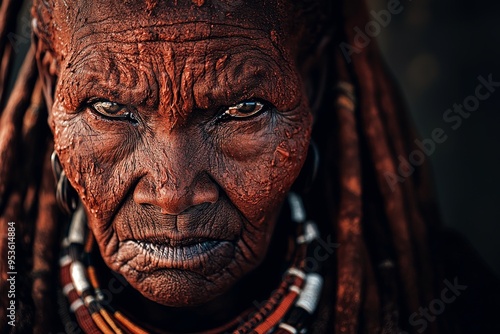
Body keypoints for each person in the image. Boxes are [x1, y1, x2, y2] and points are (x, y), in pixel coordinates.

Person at [0, 0, 499, 333]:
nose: (173, 191)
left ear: (313, 83)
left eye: (241, 111)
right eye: (110, 109)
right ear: (51, 86)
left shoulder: (451, 306)